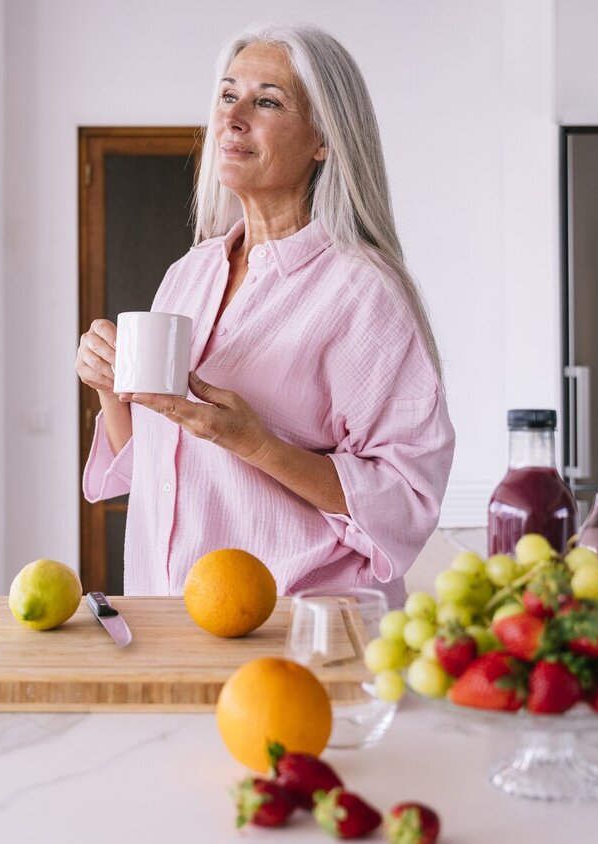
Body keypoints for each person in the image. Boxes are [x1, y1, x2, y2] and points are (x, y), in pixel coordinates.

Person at [75, 22, 455, 606]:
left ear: (324, 138)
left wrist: (257, 445)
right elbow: (151, 468)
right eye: (228, 95)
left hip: (302, 626)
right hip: (171, 619)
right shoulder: (189, 274)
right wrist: (110, 387)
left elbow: (407, 500)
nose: (232, 117)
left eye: (267, 101)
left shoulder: (363, 291)